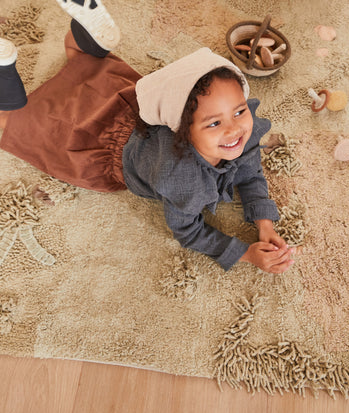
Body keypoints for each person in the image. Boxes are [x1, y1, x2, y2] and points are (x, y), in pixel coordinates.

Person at [0, 0, 296, 273]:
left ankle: (84, 40)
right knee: (25, 127)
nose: (234, 130)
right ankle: (6, 83)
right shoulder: (183, 179)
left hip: (131, 107)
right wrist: (245, 253)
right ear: (182, 129)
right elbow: (189, 231)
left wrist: (264, 224)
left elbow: (249, 172)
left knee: (89, 67)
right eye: (214, 123)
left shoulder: (243, 131)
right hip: (104, 146)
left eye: (239, 111)